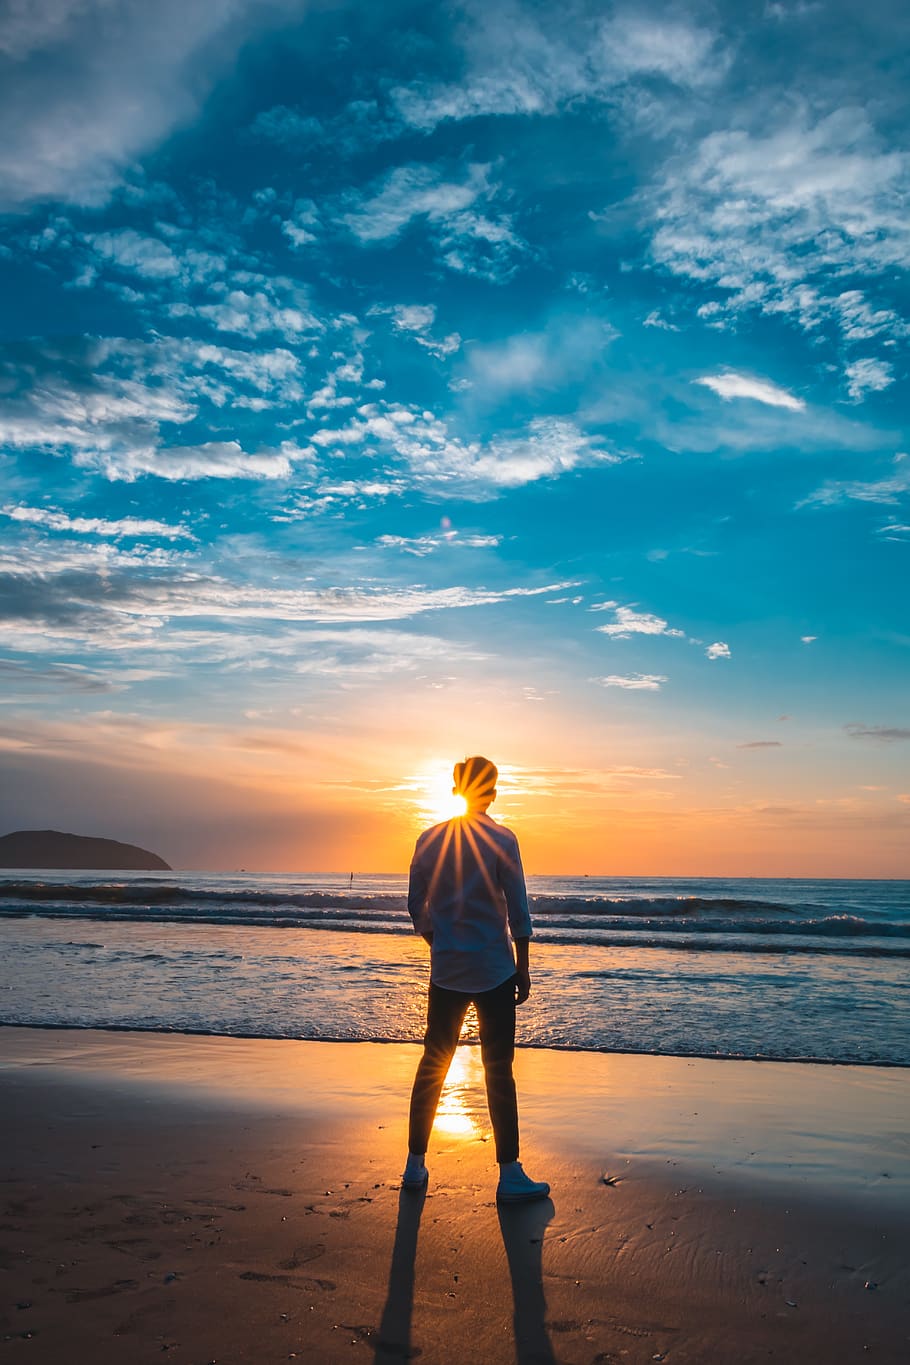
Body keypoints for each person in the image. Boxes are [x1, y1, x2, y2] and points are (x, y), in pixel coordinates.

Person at [402, 755, 549, 1203]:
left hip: (448, 970)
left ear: (457, 789)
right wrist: (523, 966)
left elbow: (415, 904)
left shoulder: (429, 839)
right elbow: (518, 908)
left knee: (433, 1064)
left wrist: (438, 941)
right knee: (498, 1069)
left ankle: (414, 1166)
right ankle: (509, 1174)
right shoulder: (503, 839)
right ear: (493, 791)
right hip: (494, 970)